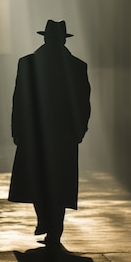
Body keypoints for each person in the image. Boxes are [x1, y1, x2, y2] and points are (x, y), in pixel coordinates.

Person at [8, 19, 91, 249]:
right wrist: (79, 130)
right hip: (62, 135)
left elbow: (19, 99)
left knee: (38, 180)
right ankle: (53, 228)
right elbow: (83, 103)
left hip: (35, 133)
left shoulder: (28, 63)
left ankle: (47, 223)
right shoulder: (76, 66)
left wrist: (17, 129)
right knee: (59, 183)